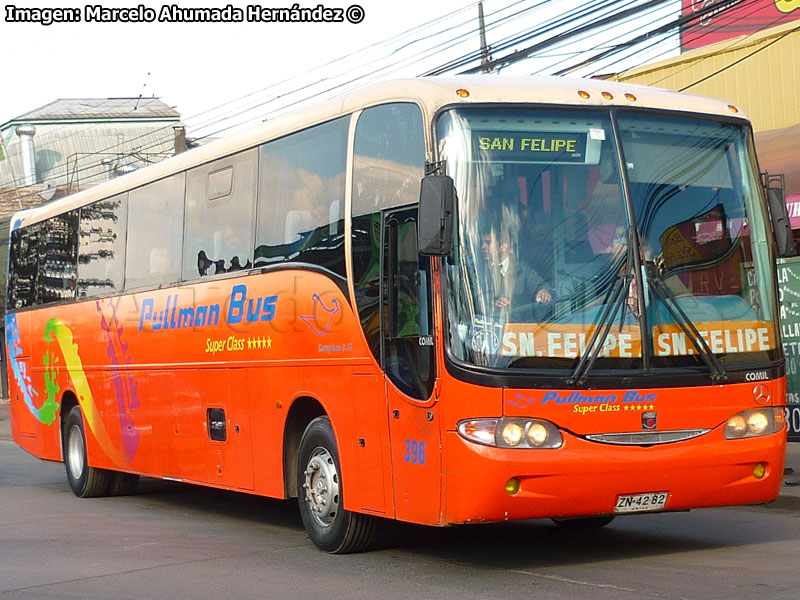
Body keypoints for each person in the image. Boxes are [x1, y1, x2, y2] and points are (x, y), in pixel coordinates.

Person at [480, 224, 553, 320]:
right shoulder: (477, 271)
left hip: (518, 330)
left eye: (488, 243)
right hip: (489, 329)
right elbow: (473, 303)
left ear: (504, 246)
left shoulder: (522, 269)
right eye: (482, 242)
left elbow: (540, 285)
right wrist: (494, 308)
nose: (483, 247)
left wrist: (544, 291)